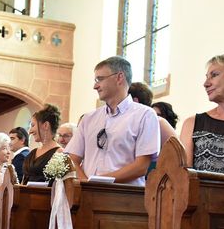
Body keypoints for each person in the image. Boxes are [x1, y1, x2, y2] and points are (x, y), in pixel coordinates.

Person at [65, 56, 160, 185]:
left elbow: (142, 166)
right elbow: (72, 158)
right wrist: (85, 184)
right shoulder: (88, 118)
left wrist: (100, 182)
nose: (95, 86)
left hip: (123, 197)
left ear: (119, 77)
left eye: (100, 79)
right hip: (87, 195)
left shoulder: (145, 115)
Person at [22, 104, 63, 184]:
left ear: (45, 125)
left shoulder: (59, 153)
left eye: (33, 125)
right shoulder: (33, 153)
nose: (30, 131)